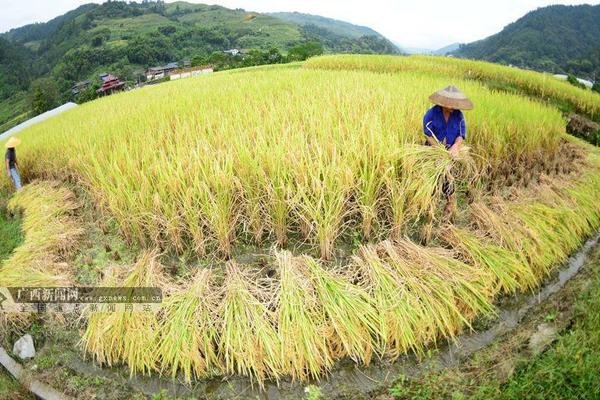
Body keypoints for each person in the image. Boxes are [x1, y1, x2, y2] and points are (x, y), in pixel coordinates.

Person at [422, 85, 473, 217]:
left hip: (450, 151)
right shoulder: (432, 113)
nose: (453, 107)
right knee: (430, 177)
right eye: (450, 105)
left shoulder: (458, 115)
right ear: (443, 103)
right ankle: (428, 203)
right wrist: (437, 148)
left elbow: (461, 135)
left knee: (447, 176)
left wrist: (456, 146)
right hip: (432, 149)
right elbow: (427, 134)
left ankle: (449, 203)